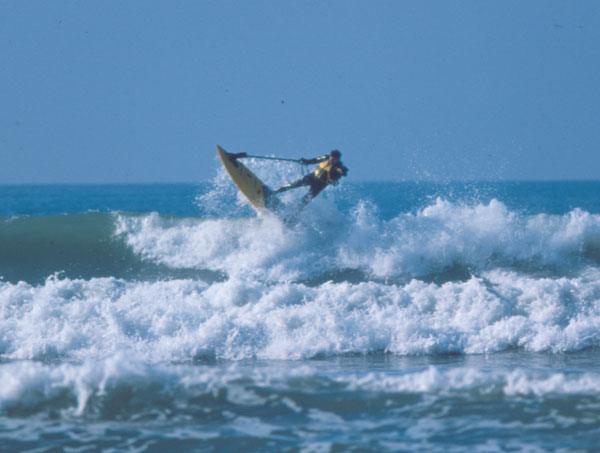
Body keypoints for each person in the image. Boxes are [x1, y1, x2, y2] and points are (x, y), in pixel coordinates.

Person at [274, 149, 348, 205]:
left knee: (305, 200)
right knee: (293, 185)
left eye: (334, 159)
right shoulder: (325, 157)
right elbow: (314, 160)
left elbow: (342, 172)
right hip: (312, 177)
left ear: (337, 159)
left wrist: (343, 171)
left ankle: (293, 215)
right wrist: (305, 161)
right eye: (331, 157)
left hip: (320, 185)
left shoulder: (338, 167)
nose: (331, 160)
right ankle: (274, 193)